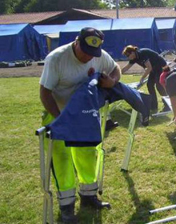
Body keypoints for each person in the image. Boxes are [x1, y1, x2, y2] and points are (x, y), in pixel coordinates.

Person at [39, 27, 119, 223]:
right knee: (62, 159)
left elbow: (115, 68)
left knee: (87, 153)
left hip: (84, 114)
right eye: (85, 51)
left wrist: (112, 81)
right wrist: (60, 120)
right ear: (76, 42)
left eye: (93, 54)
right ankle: (66, 206)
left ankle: (89, 196)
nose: (88, 57)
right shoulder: (57, 58)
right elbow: (45, 92)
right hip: (57, 113)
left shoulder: (98, 55)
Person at [121, 45, 168, 112]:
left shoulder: (141, 54)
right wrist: (117, 73)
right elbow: (126, 68)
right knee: (149, 85)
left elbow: (149, 67)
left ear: (132, 52)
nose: (128, 57)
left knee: (159, 86)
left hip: (160, 66)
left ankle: (167, 105)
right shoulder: (133, 58)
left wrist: (142, 77)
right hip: (153, 68)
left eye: (128, 55)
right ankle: (154, 106)